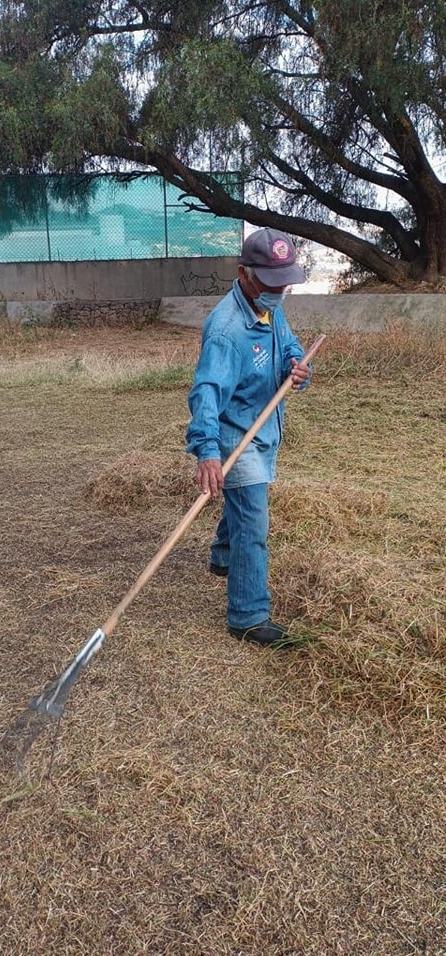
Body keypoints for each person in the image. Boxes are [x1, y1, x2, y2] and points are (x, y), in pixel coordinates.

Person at [186, 227, 312, 647]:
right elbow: (206, 392)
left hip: (265, 430)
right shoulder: (226, 330)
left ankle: (224, 557)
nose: (280, 293)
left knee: (242, 507)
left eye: (285, 283)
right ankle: (248, 615)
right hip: (236, 437)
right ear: (243, 273)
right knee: (254, 524)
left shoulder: (268, 306)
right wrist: (206, 450)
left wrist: (296, 365)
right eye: (272, 283)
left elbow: (288, 345)